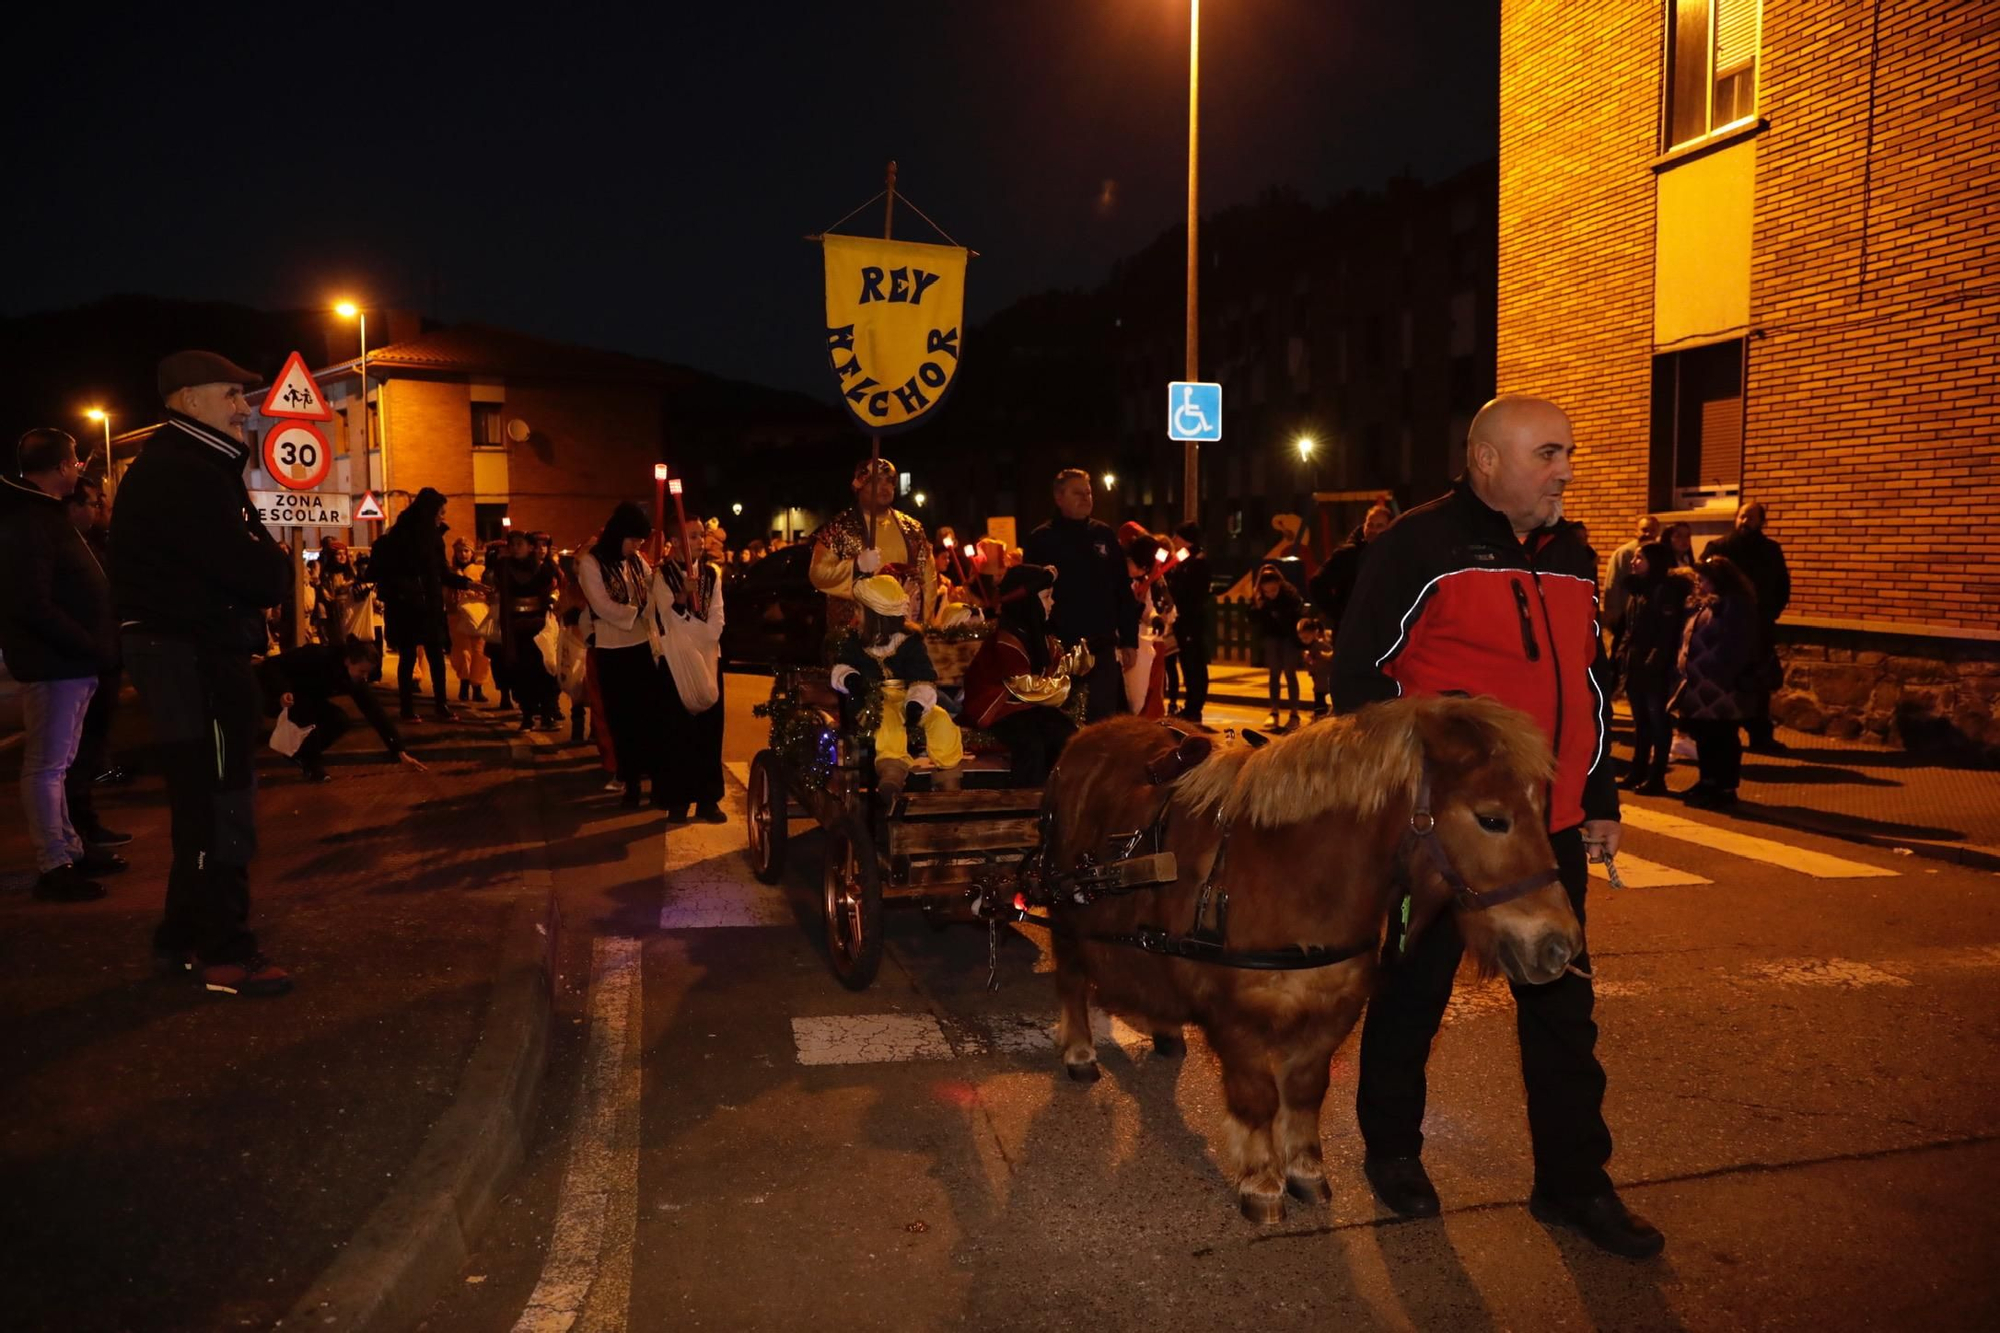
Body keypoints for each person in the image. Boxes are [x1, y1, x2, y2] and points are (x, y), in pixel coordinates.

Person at [1331, 394, 1662, 1259]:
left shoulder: (1575, 553)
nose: (1566, 469)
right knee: (1414, 990)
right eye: (1548, 452)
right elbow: (1359, 677)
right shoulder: (1416, 545)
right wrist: (1410, 795)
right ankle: (1395, 1149)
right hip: (1448, 830)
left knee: (1562, 1003)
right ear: (1485, 460)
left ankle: (1574, 1182)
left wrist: (1599, 798)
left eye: (1569, 452)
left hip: (1546, 827)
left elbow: (1587, 686)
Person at [112, 351, 296, 996]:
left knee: (203, 803)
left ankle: (181, 936)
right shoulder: (185, 471)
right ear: (187, 399)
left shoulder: (190, 465)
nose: (246, 408)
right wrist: (266, 569)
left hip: (191, 655)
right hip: (196, 660)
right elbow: (258, 574)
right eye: (231, 395)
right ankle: (224, 951)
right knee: (221, 803)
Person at [2, 429, 120, 901]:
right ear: (57, 467)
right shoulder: (29, 520)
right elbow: (32, 602)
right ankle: (55, 863)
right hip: (55, 663)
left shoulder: (43, 516)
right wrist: (87, 642)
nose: (77, 469)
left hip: (70, 662)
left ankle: (70, 846)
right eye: (72, 461)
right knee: (47, 766)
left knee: (61, 763)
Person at [829, 574, 964, 813]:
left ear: (874, 617)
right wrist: (849, 677)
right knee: (887, 719)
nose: (856, 616)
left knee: (941, 719)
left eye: (860, 610)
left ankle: (949, 781)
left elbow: (923, 677)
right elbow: (841, 665)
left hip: (907, 697)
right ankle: (891, 776)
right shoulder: (854, 642)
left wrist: (916, 703)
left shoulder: (909, 643)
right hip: (871, 702)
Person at [1022, 469, 1138, 723]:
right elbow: (1029, 599)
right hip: (1059, 650)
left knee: (1103, 723)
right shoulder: (1041, 539)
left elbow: (1122, 589)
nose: (1086, 498)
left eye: (1088, 492)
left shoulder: (1104, 535)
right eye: (1078, 493)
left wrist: (1129, 639)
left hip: (1101, 647)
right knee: (1062, 721)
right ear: (1059, 497)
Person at [962, 563, 1085, 785]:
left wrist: (1077, 662)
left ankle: (1062, 796)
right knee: (1031, 745)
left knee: (1067, 735)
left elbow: (1053, 668)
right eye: (1047, 597)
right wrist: (1063, 686)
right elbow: (1024, 686)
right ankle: (1026, 804)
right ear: (1027, 604)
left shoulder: (1039, 636)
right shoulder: (1007, 641)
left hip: (1030, 707)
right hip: (1001, 708)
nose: (1052, 603)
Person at [61, 473, 131, 849]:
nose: (103, 507)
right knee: (74, 753)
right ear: (72, 508)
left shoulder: (95, 546)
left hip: (102, 659)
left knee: (90, 749)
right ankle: (76, 836)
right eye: (94, 501)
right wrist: (90, 645)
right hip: (83, 663)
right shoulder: (67, 549)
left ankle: (85, 828)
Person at [578, 503, 663, 807]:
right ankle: (629, 782)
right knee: (622, 719)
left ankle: (651, 774)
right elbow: (601, 605)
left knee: (648, 716)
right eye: (634, 541)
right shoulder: (592, 563)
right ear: (618, 535)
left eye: (641, 542)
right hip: (613, 650)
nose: (638, 547)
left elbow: (651, 590)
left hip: (641, 646)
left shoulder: (636, 561)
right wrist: (637, 612)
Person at [369, 487, 478, 721]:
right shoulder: (428, 537)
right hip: (424, 604)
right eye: (441, 512)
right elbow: (440, 572)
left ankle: (408, 709)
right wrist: (467, 584)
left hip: (403, 605)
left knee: (408, 658)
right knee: (434, 657)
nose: (443, 516)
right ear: (430, 512)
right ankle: (440, 706)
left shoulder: (397, 533)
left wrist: (467, 583)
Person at [647, 516, 728, 823]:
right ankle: (677, 799)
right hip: (676, 659)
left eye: (700, 536)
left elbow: (717, 616)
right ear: (677, 541)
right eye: (692, 536)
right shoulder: (662, 575)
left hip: (707, 655)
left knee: (709, 731)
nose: (699, 542)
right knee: (677, 732)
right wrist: (682, 595)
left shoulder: (711, 573)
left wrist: (705, 635)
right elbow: (668, 618)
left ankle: (708, 799)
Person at [257, 638, 426, 782]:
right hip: (276, 694)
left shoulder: (353, 678)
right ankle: (312, 765)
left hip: (305, 696)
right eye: (362, 671)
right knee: (309, 720)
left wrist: (399, 750)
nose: (364, 677)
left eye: (368, 672)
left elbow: (374, 711)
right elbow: (273, 666)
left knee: (339, 720)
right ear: (347, 661)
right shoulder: (318, 656)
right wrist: (283, 691)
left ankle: (299, 754)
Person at [1670, 555, 1761, 810]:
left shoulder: (1735, 606)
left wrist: (1719, 669)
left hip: (1721, 686)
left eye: (1704, 579)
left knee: (1723, 737)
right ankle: (1707, 781)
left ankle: (1725, 786)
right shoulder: (1704, 605)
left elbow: (1737, 644)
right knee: (1705, 736)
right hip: (1699, 686)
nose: (1699, 583)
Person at [810, 456, 937, 637]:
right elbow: (818, 574)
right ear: (860, 485)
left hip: (904, 631)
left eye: (889, 481)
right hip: (856, 635)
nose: (884, 487)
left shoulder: (913, 529)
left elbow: (929, 579)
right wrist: (855, 566)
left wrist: (924, 625)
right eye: (877, 480)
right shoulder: (838, 528)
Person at [1708, 502, 1790, 752]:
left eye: (1752, 518)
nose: (1745, 521)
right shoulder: (1720, 547)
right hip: (1725, 628)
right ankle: (1724, 733)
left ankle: (1760, 735)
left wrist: (1769, 613)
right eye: (1742, 516)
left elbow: (1782, 586)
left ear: (1761, 522)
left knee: (1759, 683)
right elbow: (1704, 581)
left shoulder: (1770, 550)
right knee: (1726, 681)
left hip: (1758, 626)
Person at [1617, 542, 1694, 795]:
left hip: (1654, 669)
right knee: (1641, 722)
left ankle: (1656, 776)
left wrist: (1654, 661)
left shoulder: (1665, 591)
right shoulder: (1638, 591)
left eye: (1640, 558)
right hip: (1635, 663)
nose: (1633, 562)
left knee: (1658, 721)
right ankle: (1638, 770)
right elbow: (1629, 629)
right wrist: (1621, 655)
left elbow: (1665, 634)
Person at [493, 528, 562, 732]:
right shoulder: (504, 568)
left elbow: (555, 591)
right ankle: (528, 716)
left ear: (530, 547)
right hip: (516, 628)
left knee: (544, 671)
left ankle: (548, 714)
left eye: (519, 544)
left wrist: (551, 601)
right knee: (521, 673)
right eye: (512, 544)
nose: (515, 548)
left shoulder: (543, 569)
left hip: (539, 629)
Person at [1308, 501, 1392, 636]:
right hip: (1352, 635)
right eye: (1370, 524)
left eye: (1380, 526)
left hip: (1383, 632)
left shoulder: (1395, 557)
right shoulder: (1348, 555)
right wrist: (1342, 615)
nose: (1373, 530)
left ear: (1389, 528)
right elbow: (1317, 584)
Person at [1162, 521, 1211, 724]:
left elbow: (1189, 591)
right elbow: (1167, 571)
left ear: (1186, 539)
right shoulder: (1183, 557)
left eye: (1177, 536)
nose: (1174, 540)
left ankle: (1194, 707)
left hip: (1191, 620)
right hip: (1183, 620)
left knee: (1194, 664)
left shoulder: (1197, 561)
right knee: (1187, 664)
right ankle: (1190, 706)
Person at [1246, 562, 1304, 731]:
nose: (1271, 594)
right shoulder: (1259, 597)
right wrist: (1258, 607)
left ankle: (1294, 713)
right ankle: (1274, 712)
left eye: (1274, 590)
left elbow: (1294, 613)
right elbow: (1252, 618)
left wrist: (1274, 609)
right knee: (1274, 673)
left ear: (1279, 584)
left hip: (1288, 637)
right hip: (1271, 637)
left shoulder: (1289, 595)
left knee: (1290, 672)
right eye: (1267, 591)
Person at [1600, 515, 1661, 655]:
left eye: (1652, 530)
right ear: (1636, 531)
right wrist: (1614, 613)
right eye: (1644, 530)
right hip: (1625, 615)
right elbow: (1612, 583)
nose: (1648, 534)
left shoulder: (1660, 554)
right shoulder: (1624, 553)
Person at [446, 536, 492, 704]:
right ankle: (464, 684)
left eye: (466, 551)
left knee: (480, 652)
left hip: (478, 615)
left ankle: (477, 686)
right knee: (462, 651)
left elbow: (489, 591)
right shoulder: (451, 573)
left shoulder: (480, 571)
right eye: (459, 551)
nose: (463, 554)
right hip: (457, 616)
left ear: (472, 553)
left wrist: (476, 594)